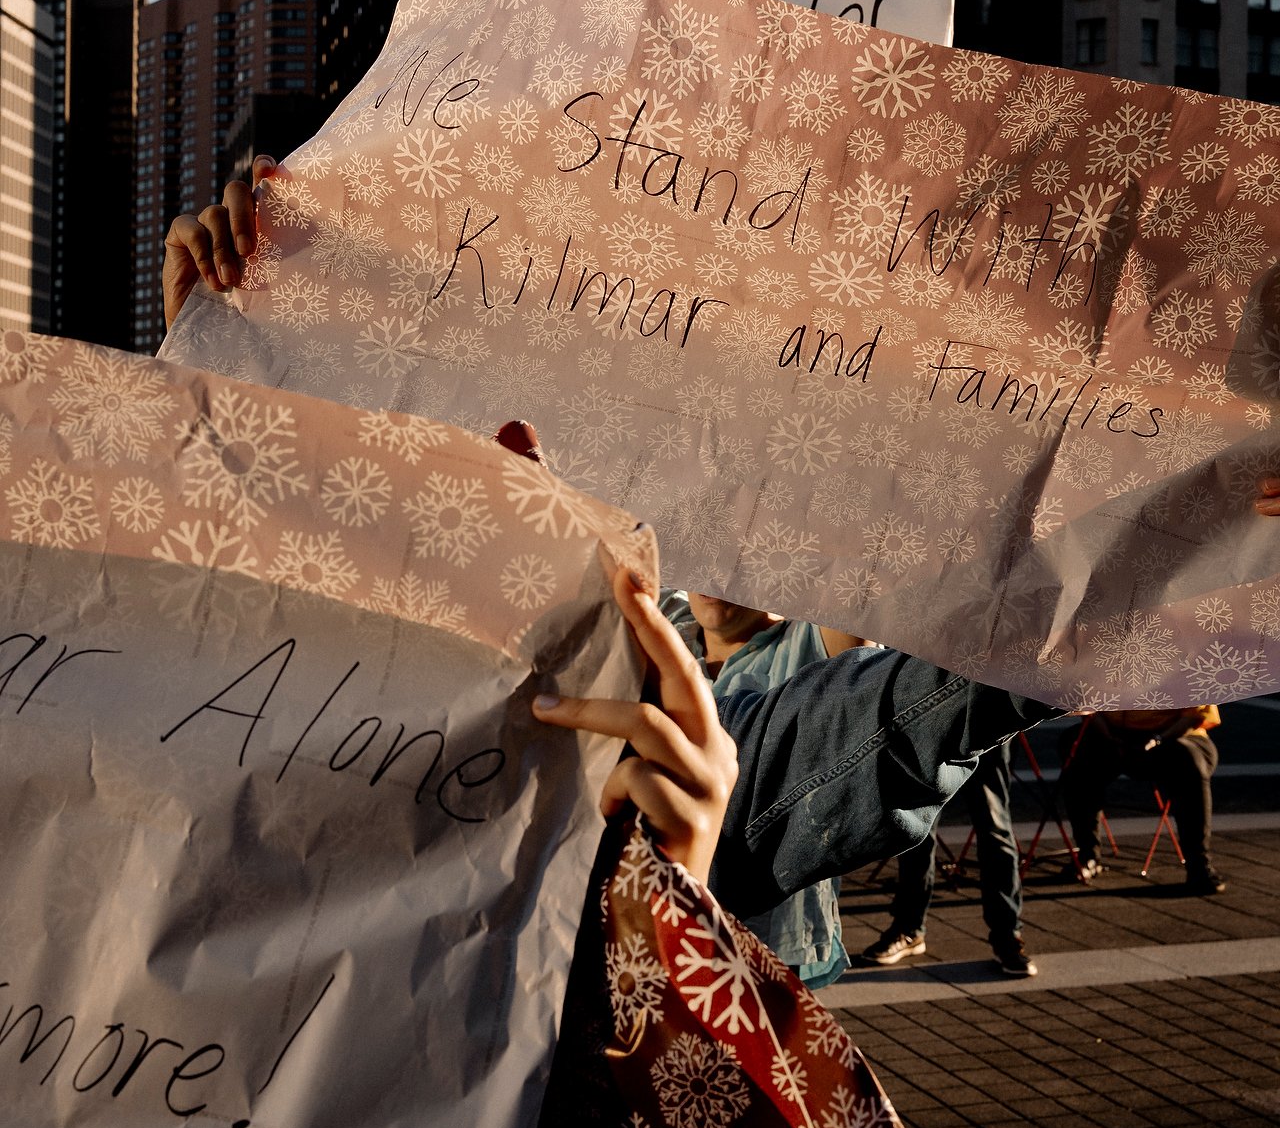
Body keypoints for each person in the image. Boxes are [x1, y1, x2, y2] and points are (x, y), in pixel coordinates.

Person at [162, 165, 1280, 913]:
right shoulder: (164, 706)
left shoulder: (606, 747)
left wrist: (678, 873)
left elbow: (850, 729)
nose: (523, 453)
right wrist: (202, 387)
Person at [660, 589, 880, 987]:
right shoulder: (666, 627)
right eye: (707, 550)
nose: (714, 575)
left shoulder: (807, 641)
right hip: (660, 912)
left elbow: (850, 586)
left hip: (768, 938)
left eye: (736, 558)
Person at [859, 739, 1036, 977]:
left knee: (993, 829)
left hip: (986, 720)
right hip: (944, 722)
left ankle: (1007, 936)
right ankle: (909, 927)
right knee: (922, 827)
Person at [1060, 705, 1224, 893]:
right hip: (1110, 733)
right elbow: (1088, 706)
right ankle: (1087, 855)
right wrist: (1109, 737)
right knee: (1074, 749)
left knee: (1189, 761)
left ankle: (1199, 864)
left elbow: (1193, 716)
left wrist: (1158, 739)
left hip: (1175, 734)